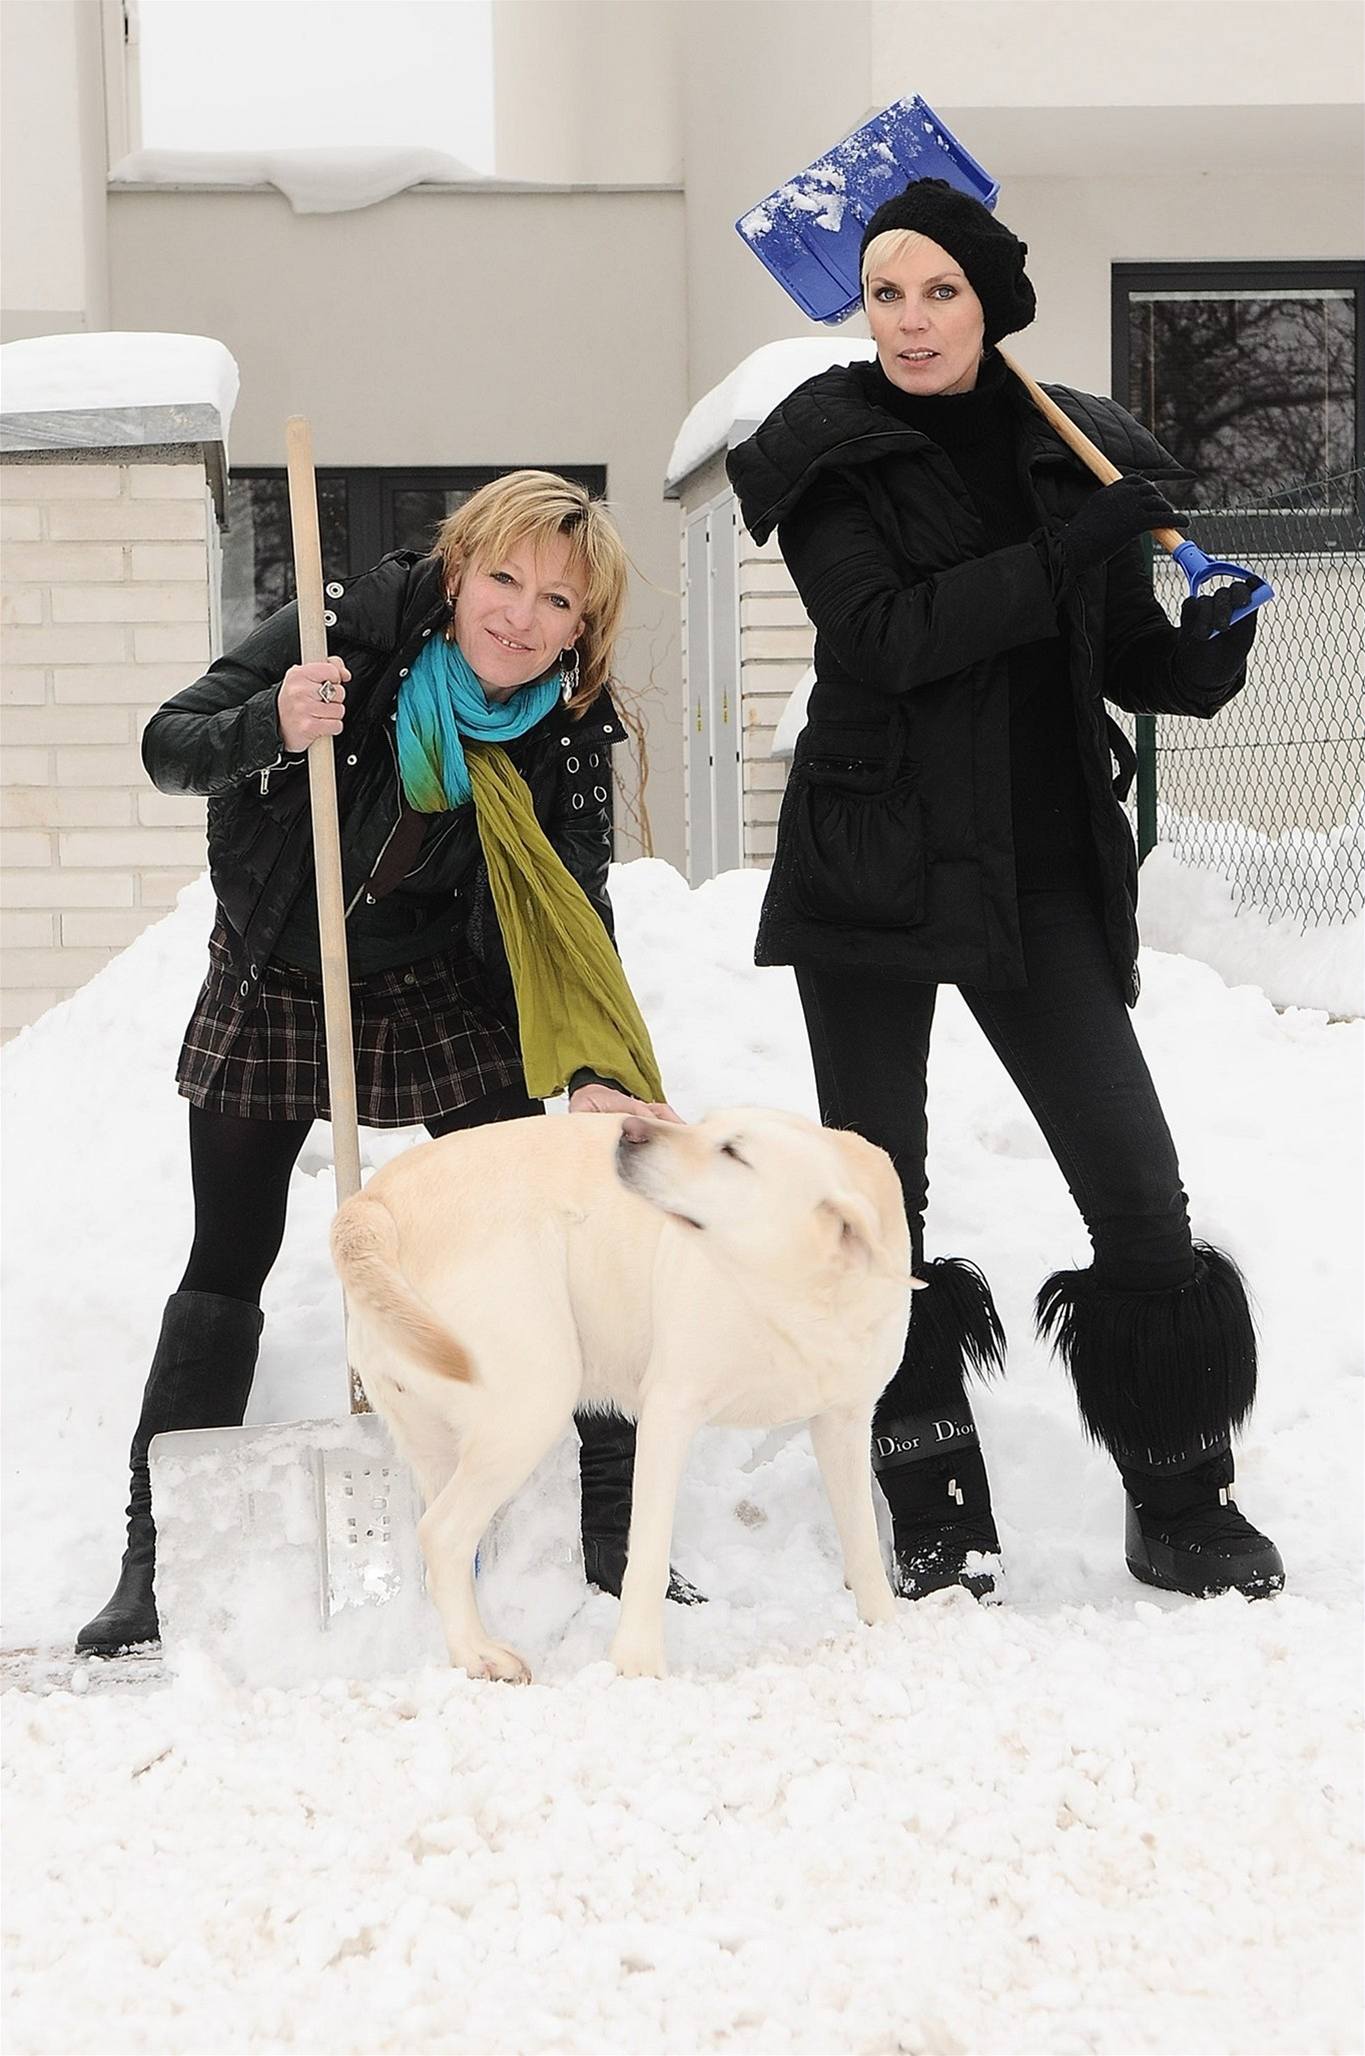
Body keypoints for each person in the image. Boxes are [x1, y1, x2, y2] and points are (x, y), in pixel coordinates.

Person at [726, 179, 1283, 1604]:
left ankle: (1179, 1497)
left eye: (939, 291)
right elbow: (889, 634)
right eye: (885, 291)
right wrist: (1070, 555)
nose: (908, 320)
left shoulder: (1070, 446)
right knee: (879, 1195)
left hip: (1035, 866)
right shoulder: (823, 455)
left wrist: (1201, 652)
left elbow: (1117, 654)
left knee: (1138, 1191)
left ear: (990, 305)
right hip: (874, 862)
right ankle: (929, 1501)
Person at [77, 470, 702, 1657]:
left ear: (585, 626)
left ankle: (612, 1529)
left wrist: (592, 1070)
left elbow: (572, 907)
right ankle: (153, 1559)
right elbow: (171, 746)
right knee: (230, 1251)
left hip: (431, 985)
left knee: (558, 1227)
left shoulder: (566, 723)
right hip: (282, 967)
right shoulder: (348, 629)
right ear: (458, 571)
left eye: (556, 601)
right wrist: (278, 723)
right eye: (503, 581)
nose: (519, 617)